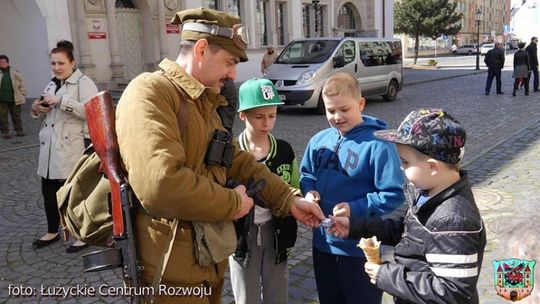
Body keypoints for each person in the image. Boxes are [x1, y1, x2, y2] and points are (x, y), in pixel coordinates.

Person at [114, 8, 324, 303]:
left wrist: (288, 199)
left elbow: (238, 161)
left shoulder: (201, 102)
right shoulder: (150, 92)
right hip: (166, 274)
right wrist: (233, 202)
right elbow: (160, 185)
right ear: (201, 50)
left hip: (203, 263)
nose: (233, 74)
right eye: (229, 62)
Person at [329, 108, 487, 304]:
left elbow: (453, 292)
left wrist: (387, 275)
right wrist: (354, 226)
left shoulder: (454, 221)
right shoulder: (428, 192)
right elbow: (405, 231)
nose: (401, 168)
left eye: (405, 162)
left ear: (432, 167)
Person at [299, 72, 405, 304]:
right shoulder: (318, 140)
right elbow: (307, 174)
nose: (337, 116)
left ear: (360, 104)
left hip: (360, 247)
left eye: (344, 109)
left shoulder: (379, 144)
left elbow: (393, 193)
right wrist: (309, 190)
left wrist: (355, 208)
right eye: (331, 110)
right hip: (323, 244)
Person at [229, 78, 298, 304]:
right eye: (258, 116)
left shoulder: (284, 150)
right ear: (243, 115)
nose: (266, 123)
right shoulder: (231, 151)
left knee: (276, 295)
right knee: (245, 296)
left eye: (272, 115)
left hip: (276, 234)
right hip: (240, 238)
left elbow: (295, 187)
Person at [30, 40, 97, 253]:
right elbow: (46, 113)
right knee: (48, 191)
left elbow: (91, 112)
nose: (57, 67)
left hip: (73, 146)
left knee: (75, 193)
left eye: (61, 63)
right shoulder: (52, 83)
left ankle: (83, 234)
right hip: (49, 148)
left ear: (72, 62)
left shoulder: (83, 83)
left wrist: (61, 102)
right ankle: (52, 230)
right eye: (53, 63)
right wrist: (36, 108)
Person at [0, 55, 27, 139]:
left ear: (7, 62)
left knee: (16, 115)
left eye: (3, 62)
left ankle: (19, 130)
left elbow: (22, 83)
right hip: (2, 99)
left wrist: (23, 94)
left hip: (14, 98)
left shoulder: (15, 71)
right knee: (2, 117)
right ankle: (5, 132)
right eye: (0, 62)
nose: (1, 63)